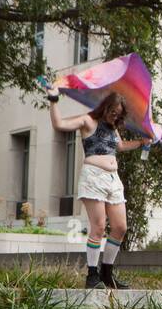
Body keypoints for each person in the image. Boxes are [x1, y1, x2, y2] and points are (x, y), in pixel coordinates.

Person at [46, 88, 150, 289]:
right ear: (105, 107)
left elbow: (119, 147)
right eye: (113, 112)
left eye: (118, 115)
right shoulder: (87, 121)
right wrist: (53, 100)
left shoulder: (112, 127)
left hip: (113, 179)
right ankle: (92, 275)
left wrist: (140, 142)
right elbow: (59, 124)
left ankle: (107, 274)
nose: (115, 116)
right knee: (99, 227)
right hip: (93, 178)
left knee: (120, 227)